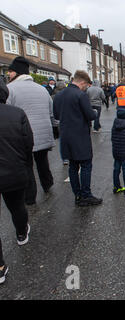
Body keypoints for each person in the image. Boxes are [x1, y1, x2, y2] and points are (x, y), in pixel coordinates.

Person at [6, 56, 56, 205]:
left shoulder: (10, 89)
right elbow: (51, 112)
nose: (8, 74)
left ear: (17, 73)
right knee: (42, 161)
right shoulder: (42, 89)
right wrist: (54, 128)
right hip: (44, 133)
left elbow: (7, 114)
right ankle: (47, 184)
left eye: (10, 71)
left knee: (27, 165)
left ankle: (30, 196)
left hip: (23, 135)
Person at [0, 77, 34, 284]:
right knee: (16, 206)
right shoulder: (16, 113)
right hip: (13, 171)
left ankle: (0, 267)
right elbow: (28, 143)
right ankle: (22, 233)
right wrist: (25, 165)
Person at [53, 70, 103, 207]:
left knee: (73, 167)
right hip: (80, 135)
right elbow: (90, 115)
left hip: (66, 136)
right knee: (86, 165)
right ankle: (86, 195)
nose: (86, 88)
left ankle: (78, 195)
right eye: (86, 85)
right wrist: (94, 111)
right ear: (82, 82)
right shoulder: (80, 95)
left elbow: (56, 116)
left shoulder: (58, 95)